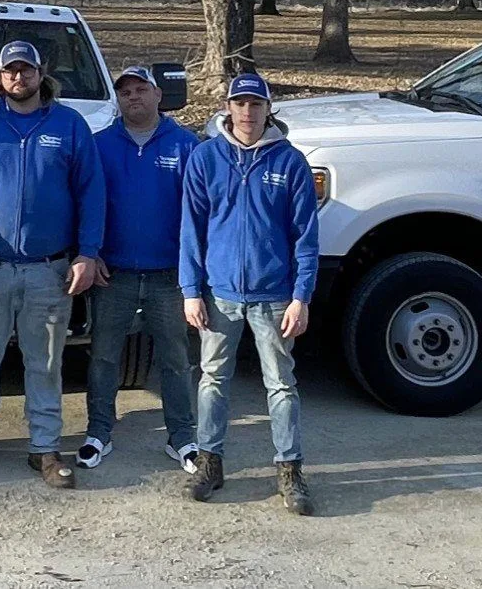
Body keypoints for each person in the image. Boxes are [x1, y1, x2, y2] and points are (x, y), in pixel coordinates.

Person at [0, 40, 107, 490]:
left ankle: (45, 448)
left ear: (39, 72)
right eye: (10, 71)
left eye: (26, 70)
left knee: (45, 362)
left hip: (49, 270)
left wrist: (87, 253)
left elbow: (91, 193)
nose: (18, 78)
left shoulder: (69, 126)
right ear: (0, 76)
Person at [179, 72, 319, 514]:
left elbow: (306, 237)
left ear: (267, 109)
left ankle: (290, 470)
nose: (246, 112)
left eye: (255, 104)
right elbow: (191, 229)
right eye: (238, 103)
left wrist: (302, 295)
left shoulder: (290, 162)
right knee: (213, 380)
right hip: (219, 294)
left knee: (280, 384)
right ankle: (210, 461)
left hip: (274, 293)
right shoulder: (205, 159)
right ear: (226, 107)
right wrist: (190, 290)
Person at [78, 65, 200, 474]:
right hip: (114, 274)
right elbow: (89, 203)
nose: (133, 97)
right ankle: (98, 432)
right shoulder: (100, 146)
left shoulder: (185, 145)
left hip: (169, 275)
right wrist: (90, 252)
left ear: (158, 95)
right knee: (104, 357)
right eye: (125, 91)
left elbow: (197, 214)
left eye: (141, 89)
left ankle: (182, 436)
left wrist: (192, 271)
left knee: (175, 359)